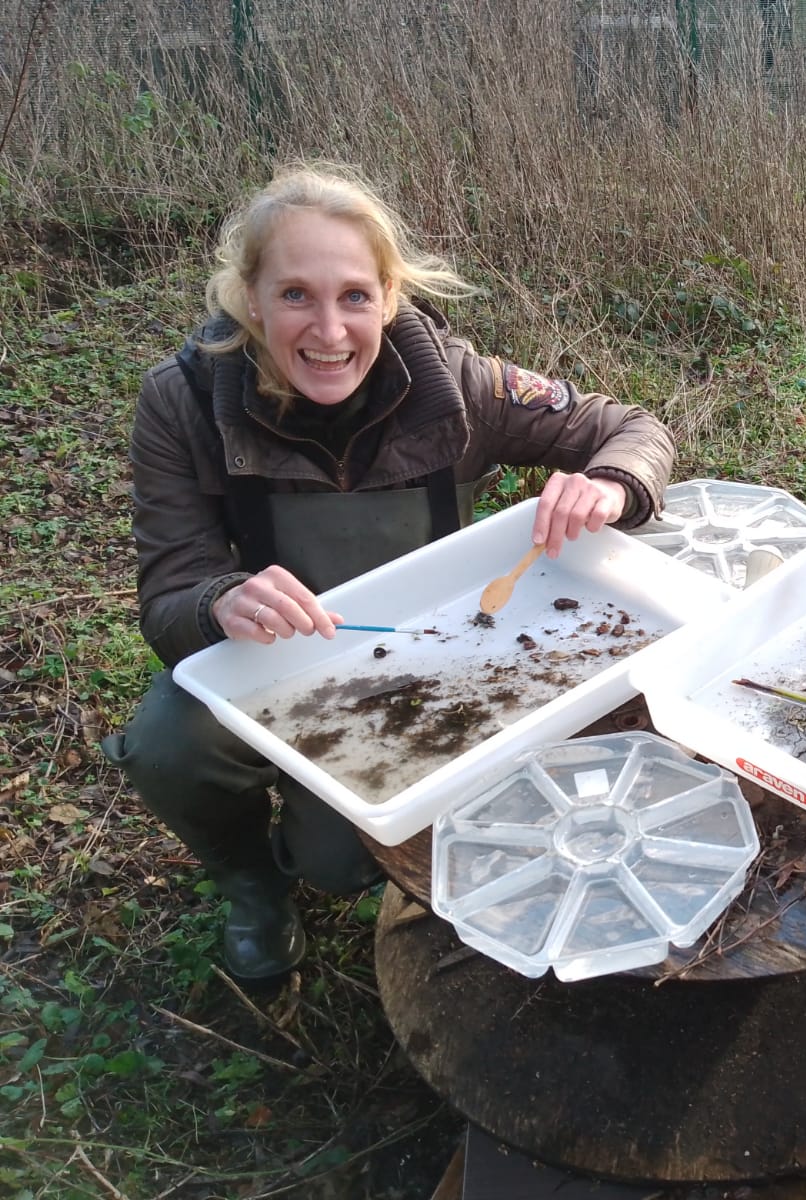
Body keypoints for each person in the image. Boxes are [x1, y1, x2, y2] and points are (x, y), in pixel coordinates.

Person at [101, 164, 675, 984]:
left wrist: (612, 483)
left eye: (355, 297)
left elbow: (629, 427)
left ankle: (340, 846)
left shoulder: (459, 386)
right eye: (295, 294)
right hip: (286, 659)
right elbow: (167, 592)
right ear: (249, 299)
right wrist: (219, 599)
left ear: (390, 297)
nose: (329, 330)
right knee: (165, 740)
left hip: (445, 651)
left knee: (342, 864)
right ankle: (252, 887)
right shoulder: (184, 403)